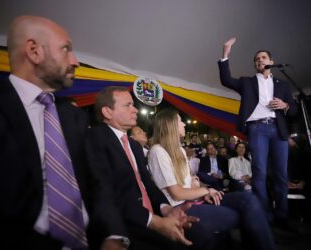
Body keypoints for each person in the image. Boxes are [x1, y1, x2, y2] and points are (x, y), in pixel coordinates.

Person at [0, 16, 90, 249]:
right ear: (34, 51)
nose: (76, 61)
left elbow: (96, 184)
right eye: (66, 49)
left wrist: (113, 235)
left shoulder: (74, 117)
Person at [84, 86, 198, 250]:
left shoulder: (134, 146)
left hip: (150, 216)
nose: (135, 110)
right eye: (128, 105)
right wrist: (156, 222)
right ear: (108, 112)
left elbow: (147, 183)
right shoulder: (95, 138)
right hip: (123, 226)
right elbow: (107, 192)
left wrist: (166, 209)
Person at [148, 109, 275, 250]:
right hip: (179, 206)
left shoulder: (180, 150)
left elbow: (190, 180)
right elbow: (177, 193)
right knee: (246, 215)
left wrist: (202, 187)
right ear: (170, 125)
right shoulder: (157, 151)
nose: (184, 124)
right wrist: (205, 190)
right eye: (180, 120)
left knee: (248, 199)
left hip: (194, 199)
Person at [218, 37, 298, 225]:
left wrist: (284, 105)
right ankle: (263, 215)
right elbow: (226, 79)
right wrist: (225, 53)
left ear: (271, 61)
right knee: (260, 172)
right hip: (257, 129)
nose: (260, 60)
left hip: (278, 130)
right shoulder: (247, 82)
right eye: (257, 59)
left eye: (263, 57)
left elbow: (293, 110)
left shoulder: (283, 85)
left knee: (281, 173)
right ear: (255, 65)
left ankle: (282, 215)